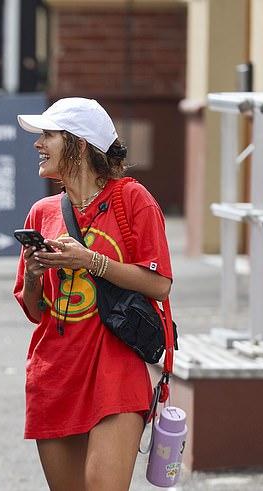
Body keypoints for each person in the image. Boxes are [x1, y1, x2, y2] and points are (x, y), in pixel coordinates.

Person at [13, 98, 172, 490]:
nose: (38, 143)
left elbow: (160, 284)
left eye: (48, 135)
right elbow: (34, 310)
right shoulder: (42, 212)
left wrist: (89, 261)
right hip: (56, 372)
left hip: (115, 368)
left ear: (79, 144)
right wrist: (34, 275)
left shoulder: (132, 200)